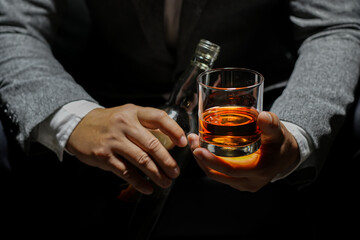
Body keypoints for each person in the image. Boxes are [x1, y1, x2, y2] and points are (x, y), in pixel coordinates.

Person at [0, 0, 359, 238]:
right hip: (110, 103)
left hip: (255, 116)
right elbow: (12, 25)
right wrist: (73, 117)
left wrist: (296, 134)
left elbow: (334, 27)